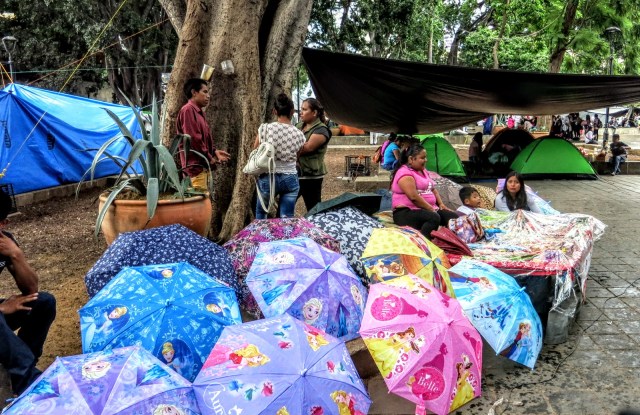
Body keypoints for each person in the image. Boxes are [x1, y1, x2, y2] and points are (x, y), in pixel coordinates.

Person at [0, 189, 56, 395]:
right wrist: (1, 308)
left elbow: (31, 289)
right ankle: (27, 378)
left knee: (44, 302)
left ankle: (20, 370)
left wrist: (16, 254)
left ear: (3, 224)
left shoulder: (5, 242)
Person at [253, 93, 305, 219]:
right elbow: (297, 155)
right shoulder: (299, 134)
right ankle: (285, 232)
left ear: (274, 111)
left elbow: (255, 149)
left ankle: (262, 232)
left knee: (261, 214)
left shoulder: (265, 129)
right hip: (290, 177)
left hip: (268, 176)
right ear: (292, 111)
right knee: (287, 217)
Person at [391, 143, 459, 239]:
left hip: (427, 209)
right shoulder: (404, 173)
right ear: (411, 159)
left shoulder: (423, 170)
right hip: (406, 212)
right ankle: (425, 241)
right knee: (433, 218)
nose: (426, 160)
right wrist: (431, 209)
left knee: (453, 217)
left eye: (425, 157)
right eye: (422, 158)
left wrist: (441, 204)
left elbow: (433, 189)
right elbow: (414, 197)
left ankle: (448, 241)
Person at [176, 78, 231, 192]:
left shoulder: (199, 112)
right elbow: (194, 139)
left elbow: (204, 139)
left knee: (205, 199)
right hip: (195, 169)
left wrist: (214, 152)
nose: (208, 96)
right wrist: (209, 157)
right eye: (205, 92)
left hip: (202, 167)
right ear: (194, 92)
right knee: (199, 201)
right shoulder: (188, 110)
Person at [297, 98, 331, 212]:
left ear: (314, 112)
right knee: (284, 208)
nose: (301, 112)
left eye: (304, 109)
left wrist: (286, 146)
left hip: (311, 177)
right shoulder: (298, 126)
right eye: (301, 109)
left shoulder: (321, 130)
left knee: (313, 211)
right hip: (295, 175)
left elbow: (307, 148)